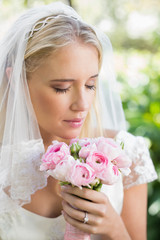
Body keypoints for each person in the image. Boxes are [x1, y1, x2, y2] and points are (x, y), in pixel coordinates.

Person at [0, 2, 157, 240]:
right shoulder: (5, 168)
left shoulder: (127, 156)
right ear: (18, 81)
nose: (82, 104)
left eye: (90, 85)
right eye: (62, 88)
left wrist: (114, 229)